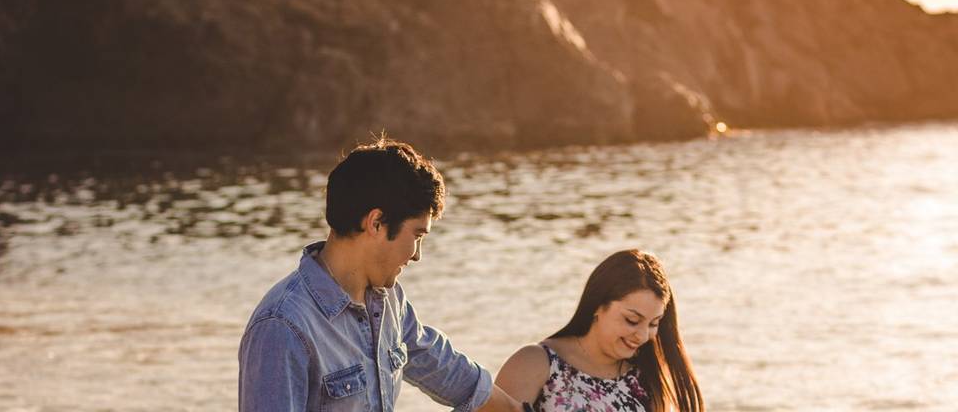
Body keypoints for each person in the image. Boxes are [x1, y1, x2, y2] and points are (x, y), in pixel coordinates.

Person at [239, 137, 528, 412]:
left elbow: (446, 368)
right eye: (417, 234)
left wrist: (518, 409)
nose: (417, 254)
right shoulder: (282, 327)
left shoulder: (387, 300)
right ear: (376, 222)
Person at [495, 249, 704, 412]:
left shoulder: (646, 379)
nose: (642, 336)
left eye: (653, 324)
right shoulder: (536, 364)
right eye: (632, 320)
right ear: (597, 306)